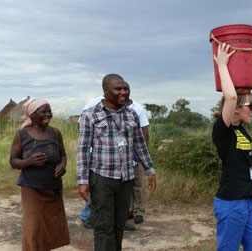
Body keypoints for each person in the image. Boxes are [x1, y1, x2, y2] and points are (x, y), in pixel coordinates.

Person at [76, 73, 156, 251]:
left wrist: (150, 170)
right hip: (101, 178)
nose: (123, 93)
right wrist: (82, 181)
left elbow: (139, 145)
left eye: (125, 89)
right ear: (105, 91)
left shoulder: (132, 115)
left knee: (119, 225)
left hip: (125, 179)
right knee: (104, 227)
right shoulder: (90, 116)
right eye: (118, 89)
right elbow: (82, 149)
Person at [211, 43, 252, 250]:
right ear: (234, 109)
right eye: (249, 105)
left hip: (248, 201)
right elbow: (231, 96)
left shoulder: (242, 128)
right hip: (231, 203)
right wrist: (222, 65)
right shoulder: (222, 132)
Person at [9, 98, 70, 251]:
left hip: (53, 188)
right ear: (32, 114)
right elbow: (13, 161)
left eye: (49, 111)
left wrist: (62, 165)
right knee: (34, 228)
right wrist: (29, 161)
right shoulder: (22, 134)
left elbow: (63, 155)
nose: (48, 115)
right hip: (32, 189)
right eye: (44, 112)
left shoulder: (55, 133)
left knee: (51, 228)